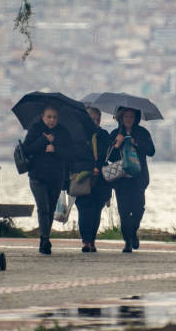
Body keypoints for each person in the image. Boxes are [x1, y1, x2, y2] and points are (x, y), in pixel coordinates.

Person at [22, 104, 72, 255]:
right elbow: (26, 149)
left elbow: (70, 153)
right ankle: (44, 239)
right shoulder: (35, 129)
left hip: (56, 177)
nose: (51, 120)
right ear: (42, 117)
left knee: (50, 209)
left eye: (54, 117)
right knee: (43, 208)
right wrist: (44, 141)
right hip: (37, 176)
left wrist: (55, 148)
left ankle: (46, 237)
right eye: (48, 117)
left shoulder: (63, 132)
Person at [109, 107, 155, 253]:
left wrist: (137, 144)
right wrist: (117, 145)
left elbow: (151, 151)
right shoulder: (115, 134)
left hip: (138, 179)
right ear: (120, 118)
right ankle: (127, 242)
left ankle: (133, 232)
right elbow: (109, 156)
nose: (129, 119)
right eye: (126, 116)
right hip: (121, 180)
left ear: (136, 118)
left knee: (138, 209)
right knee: (124, 212)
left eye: (131, 116)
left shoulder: (142, 132)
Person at [74, 107, 112, 252]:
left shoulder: (104, 135)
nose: (95, 122)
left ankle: (92, 240)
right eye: (92, 119)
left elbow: (106, 154)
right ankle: (85, 241)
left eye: (97, 119)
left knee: (96, 210)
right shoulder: (78, 135)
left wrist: (98, 166)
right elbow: (76, 155)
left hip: (101, 179)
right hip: (83, 177)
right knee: (84, 209)